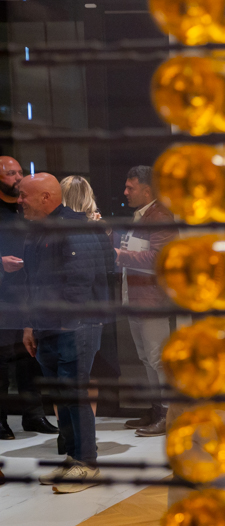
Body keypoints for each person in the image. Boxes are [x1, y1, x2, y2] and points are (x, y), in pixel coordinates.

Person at [19, 173, 115, 493]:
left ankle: (87, 464)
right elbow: (33, 283)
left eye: (25, 195)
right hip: (48, 325)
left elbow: (80, 278)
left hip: (76, 325)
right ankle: (74, 459)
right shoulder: (39, 231)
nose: (20, 201)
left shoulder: (75, 227)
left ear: (46, 197)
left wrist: (66, 320)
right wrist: (30, 324)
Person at [115, 165, 178, 436]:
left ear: (147, 190)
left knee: (157, 359)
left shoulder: (160, 216)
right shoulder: (142, 215)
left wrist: (120, 254)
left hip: (153, 301)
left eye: (130, 187)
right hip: (137, 298)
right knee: (146, 358)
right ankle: (156, 410)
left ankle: (167, 414)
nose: (125, 192)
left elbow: (159, 258)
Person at [0, 157, 57, 439]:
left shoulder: (30, 208)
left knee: (30, 358)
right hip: (3, 296)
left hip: (29, 294)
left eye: (20, 172)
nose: (18, 178)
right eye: (11, 173)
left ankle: (34, 415)